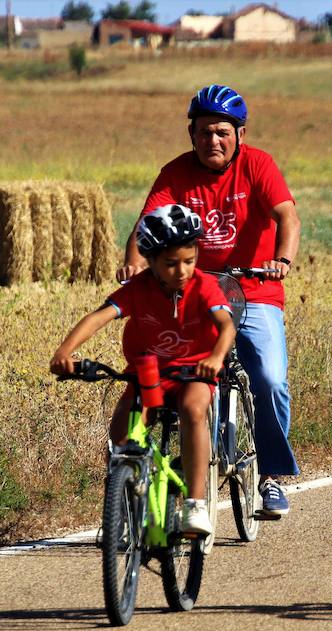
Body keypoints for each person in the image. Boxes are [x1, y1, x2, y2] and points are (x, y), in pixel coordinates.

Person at [121, 85, 302, 519]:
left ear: (240, 134)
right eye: (204, 132)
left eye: (222, 132)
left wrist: (281, 260)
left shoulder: (258, 165)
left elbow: (287, 217)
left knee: (269, 378)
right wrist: (133, 265)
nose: (213, 140)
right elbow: (146, 225)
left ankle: (271, 476)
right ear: (192, 135)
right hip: (196, 292)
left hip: (255, 289)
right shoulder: (175, 173)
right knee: (178, 375)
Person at [53, 205, 236, 537]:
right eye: (171, 263)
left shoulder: (204, 285)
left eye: (189, 260)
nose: (182, 271)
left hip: (195, 370)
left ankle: (195, 505)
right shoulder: (139, 289)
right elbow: (98, 317)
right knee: (121, 435)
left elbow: (226, 326)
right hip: (149, 373)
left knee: (193, 409)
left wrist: (215, 357)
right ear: (150, 261)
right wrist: (65, 351)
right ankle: (123, 509)